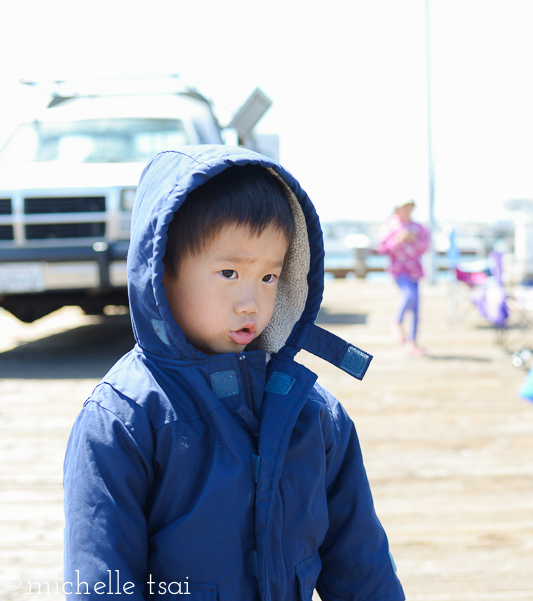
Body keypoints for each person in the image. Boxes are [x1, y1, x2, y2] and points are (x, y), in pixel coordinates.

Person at [63, 146, 405, 601]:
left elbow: (363, 564)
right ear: (161, 272)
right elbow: (102, 581)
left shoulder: (312, 412)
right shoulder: (123, 420)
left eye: (268, 277)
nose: (252, 302)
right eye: (229, 272)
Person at [377, 200, 430, 355]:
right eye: (404, 208)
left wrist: (414, 239)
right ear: (398, 209)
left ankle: (412, 342)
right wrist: (398, 240)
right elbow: (382, 248)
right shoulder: (389, 226)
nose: (407, 211)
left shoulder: (418, 227)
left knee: (415, 307)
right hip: (399, 269)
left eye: (410, 207)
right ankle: (396, 323)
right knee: (409, 295)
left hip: (414, 269)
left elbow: (425, 247)